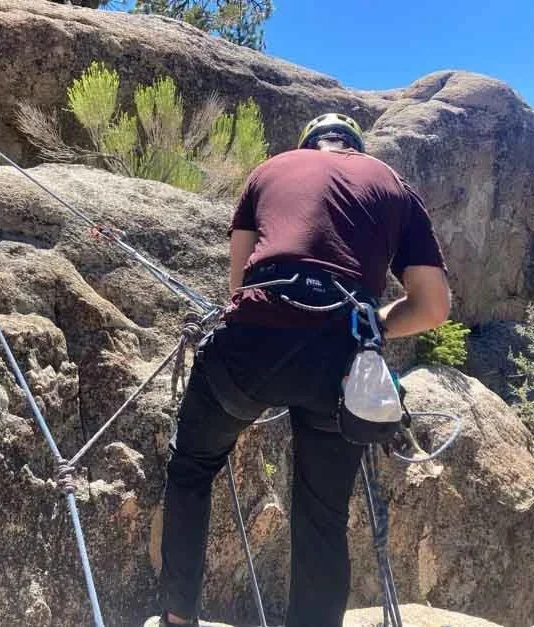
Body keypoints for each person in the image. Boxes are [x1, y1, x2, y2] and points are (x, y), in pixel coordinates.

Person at [144, 113, 450, 627]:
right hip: (340, 357)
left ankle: (178, 617)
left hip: (254, 340)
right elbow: (434, 306)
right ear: (356, 147)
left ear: (307, 143)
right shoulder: (392, 184)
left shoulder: (270, 170)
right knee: (321, 516)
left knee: (193, 468)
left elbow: (237, 288)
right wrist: (370, 324)